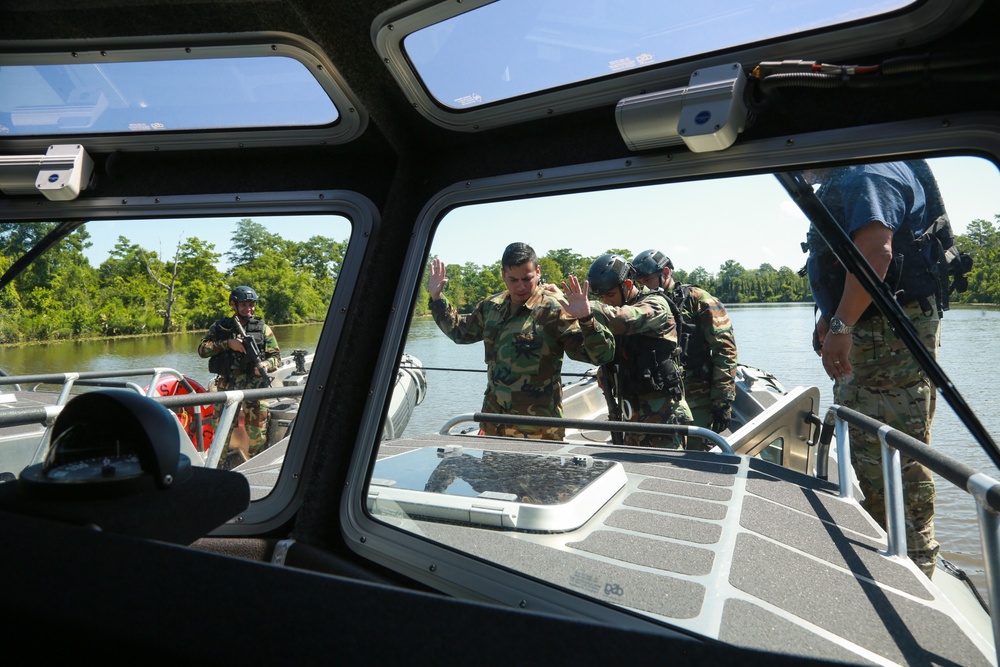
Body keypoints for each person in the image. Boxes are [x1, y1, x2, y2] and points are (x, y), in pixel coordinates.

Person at [805, 160, 953, 578]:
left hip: (886, 337)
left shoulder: (865, 173)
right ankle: (889, 548)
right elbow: (848, 260)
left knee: (895, 450)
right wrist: (830, 315)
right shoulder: (850, 174)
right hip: (873, 334)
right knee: (871, 449)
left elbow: (875, 252)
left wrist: (842, 324)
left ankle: (916, 566)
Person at [428, 242, 615, 441]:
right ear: (503, 275)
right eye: (513, 279)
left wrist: (586, 319)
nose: (520, 286)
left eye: (527, 279)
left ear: (538, 272)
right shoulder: (491, 307)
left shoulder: (554, 310)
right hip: (494, 423)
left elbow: (600, 355)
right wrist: (437, 297)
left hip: (539, 429)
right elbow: (460, 332)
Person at [587, 253, 691, 448]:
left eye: (610, 295)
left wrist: (586, 308)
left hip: (663, 415)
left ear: (627, 285)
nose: (606, 301)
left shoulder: (655, 304)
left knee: (662, 473)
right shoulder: (618, 308)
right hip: (631, 413)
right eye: (601, 297)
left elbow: (625, 319)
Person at [632, 249, 738, 435]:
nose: (645, 288)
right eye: (640, 283)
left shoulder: (698, 300)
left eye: (647, 281)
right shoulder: (642, 305)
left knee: (696, 454)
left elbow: (724, 350)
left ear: (665, 272)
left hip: (697, 395)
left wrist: (722, 400)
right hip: (659, 396)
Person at [198, 285, 282, 469]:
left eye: (251, 305)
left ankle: (255, 471)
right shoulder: (221, 327)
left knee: (258, 437)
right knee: (221, 434)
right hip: (227, 388)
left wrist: (266, 365)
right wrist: (228, 343)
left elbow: (277, 358)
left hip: (255, 390)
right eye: (243, 305)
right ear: (233, 305)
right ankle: (217, 471)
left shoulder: (263, 329)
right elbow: (202, 350)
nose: (248, 309)